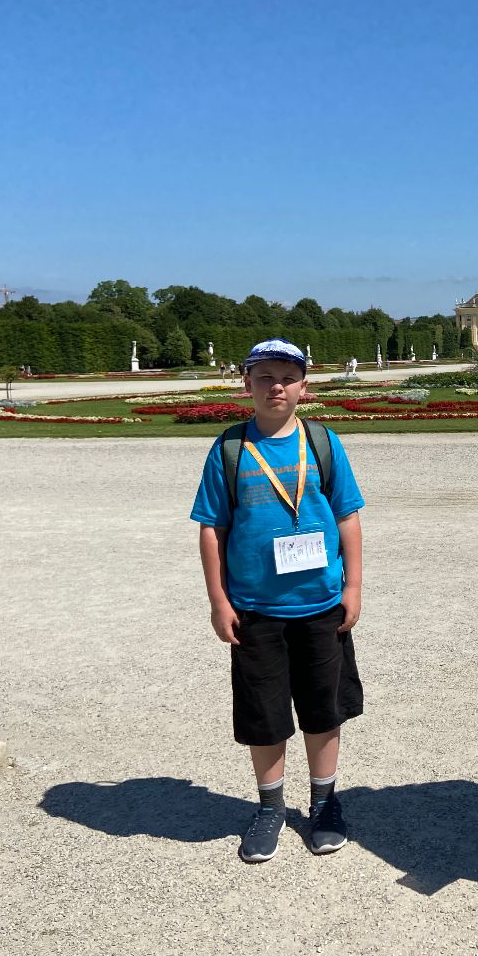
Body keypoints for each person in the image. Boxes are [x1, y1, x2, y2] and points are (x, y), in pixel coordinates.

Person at [190, 337, 366, 864]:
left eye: (287, 377)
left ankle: (323, 802)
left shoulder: (322, 444)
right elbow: (211, 529)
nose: (276, 387)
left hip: (319, 605)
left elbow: (349, 518)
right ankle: (269, 806)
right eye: (265, 377)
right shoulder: (230, 450)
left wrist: (353, 587)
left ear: (303, 387)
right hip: (256, 610)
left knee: (323, 709)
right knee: (263, 715)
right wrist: (219, 600)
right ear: (247, 384)